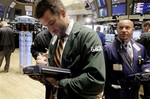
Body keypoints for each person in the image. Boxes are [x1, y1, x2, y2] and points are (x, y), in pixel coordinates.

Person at [32, 0, 106, 99]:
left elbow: (95, 80)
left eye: (52, 23)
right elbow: (56, 70)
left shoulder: (88, 37)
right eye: (46, 26)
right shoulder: (54, 39)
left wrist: (58, 83)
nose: (50, 29)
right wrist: (43, 70)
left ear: (62, 13)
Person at [103, 19, 150, 99]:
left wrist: (146, 69)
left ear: (133, 30)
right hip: (115, 92)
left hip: (133, 91)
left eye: (127, 28)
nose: (124, 30)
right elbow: (102, 72)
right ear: (117, 30)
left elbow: (145, 62)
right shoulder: (108, 49)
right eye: (121, 28)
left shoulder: (140, 48)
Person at [136, 21, 150, 99]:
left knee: (147, 81)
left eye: (143, 27)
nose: (143, 29)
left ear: (147, 26)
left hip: (147, 61)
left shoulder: (145, 35)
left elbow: (137, 47)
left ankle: (147, 96)